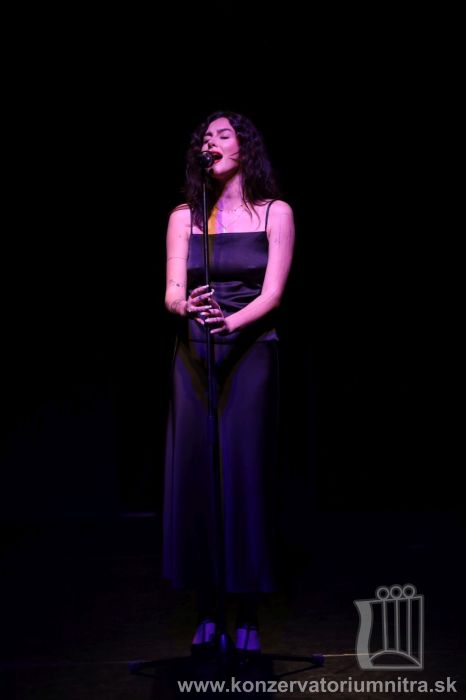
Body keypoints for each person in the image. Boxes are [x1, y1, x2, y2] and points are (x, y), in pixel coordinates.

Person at [162, 110, 295, 654]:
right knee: (199, 479)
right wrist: (185, 305)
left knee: (243, 479)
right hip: (195, 356)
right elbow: (171, 290)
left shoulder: (275, 212)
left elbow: (273, 293)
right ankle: (206, 608)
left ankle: (248, 613)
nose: (211, 141)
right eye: (206, 136)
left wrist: (232, 322)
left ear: (245, 147)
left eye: (223, 134)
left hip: (249, 353)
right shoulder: (184, 216)